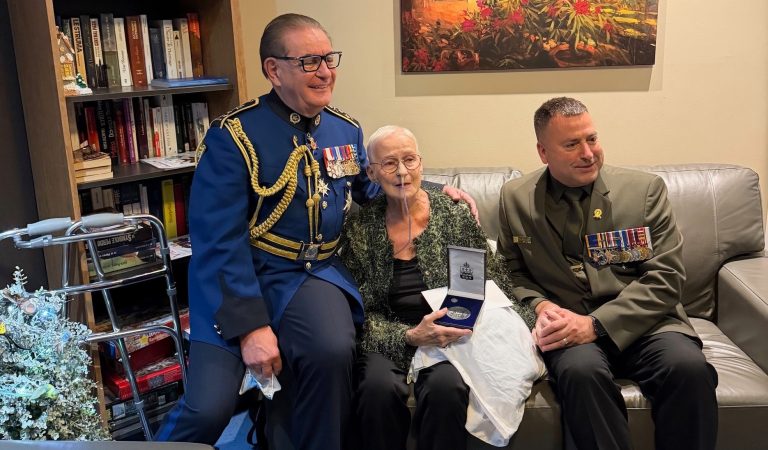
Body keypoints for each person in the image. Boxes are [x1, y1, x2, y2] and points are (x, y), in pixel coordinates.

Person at [156, 14, 475, 449]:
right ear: (274, 70)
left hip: (309, 275)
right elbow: (217, 242)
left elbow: (368, 189)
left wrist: (436, 192)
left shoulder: (344, 129)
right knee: (208, 408)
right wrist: (252, 329)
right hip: (237, 279)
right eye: (309, 61)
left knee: (331, 353)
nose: (326, 71)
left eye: (328, 58)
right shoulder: (234, 135)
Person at [496, 97, 718, 450]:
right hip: (568, 323)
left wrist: (596, 325)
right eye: (572, 144)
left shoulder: (644, 191)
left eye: (592, 139)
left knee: (689, 369)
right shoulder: (516, 198)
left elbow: (667, 278)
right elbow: (510, 272)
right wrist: (540, 307)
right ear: (543, 152)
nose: (588, 153)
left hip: (647, 324)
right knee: (581, 374)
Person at [340, 126, 537, 450]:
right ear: (372, 173)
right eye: (389, 164)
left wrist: (478, 321)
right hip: (393, 332)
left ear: (421, 163)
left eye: (409, 160)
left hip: (450, 336)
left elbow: (490, 280)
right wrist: (407, 336)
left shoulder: (453, 216)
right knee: (376, 389)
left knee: (445, 388)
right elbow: (360, 312)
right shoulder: (360, 229)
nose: (402, 171)